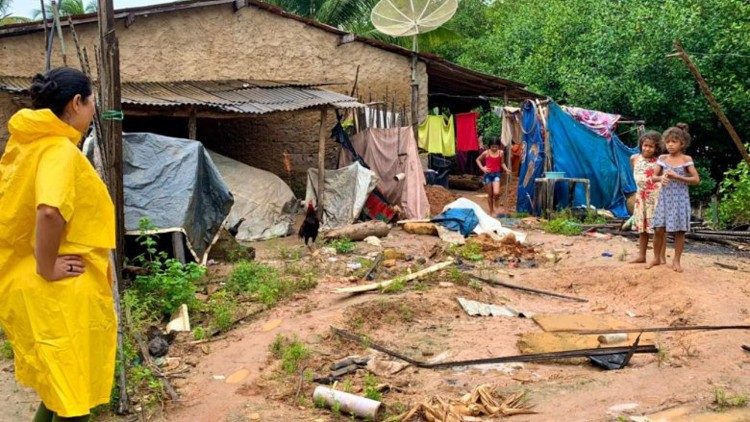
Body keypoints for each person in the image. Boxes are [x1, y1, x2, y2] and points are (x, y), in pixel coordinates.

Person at [0, 68, 116, 421]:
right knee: (73, 397)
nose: (94, 108)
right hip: (59, 293)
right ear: (75, 103)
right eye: (92, 100)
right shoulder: (58, 151)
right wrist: (46, 265)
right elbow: (49, 211)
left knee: (57, 390)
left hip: (31, 286)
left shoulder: (27, 146)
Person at [646, 127, 699, 273]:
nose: (670, 145)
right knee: (659, 229)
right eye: (668, 142)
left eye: (674, 142)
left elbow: (696, 179)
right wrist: (661, 178)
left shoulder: (686, 159)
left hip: (680, 200)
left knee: (680, 231)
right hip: (664, 199)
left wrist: (678, 177)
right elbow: (653, 177)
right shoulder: (662, 159)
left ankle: (676, 260)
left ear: (682, 143)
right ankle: (656, 258)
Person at [629, 131, 667, 264]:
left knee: (659, 229)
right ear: (641, 144)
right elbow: (637, 175)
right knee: (642, 228)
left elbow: (662, 178)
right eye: (645, 145)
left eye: (651, 146)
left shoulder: (660, 161)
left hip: (656, 198)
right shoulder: (634, 158)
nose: (647, 148)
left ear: (657, 148)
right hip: (641, 197)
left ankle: (660, 257)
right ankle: (642, 256)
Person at [476, 139, 511, 216]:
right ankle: (491, 211)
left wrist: (506, 170)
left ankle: (496, 205)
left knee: (496, 192)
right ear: (489, 146)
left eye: (496, 147)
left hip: (496, 175)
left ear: (499, 146)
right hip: (488, 175)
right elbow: (477, 160)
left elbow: (502, 163)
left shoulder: (501, 153)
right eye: (492, 147)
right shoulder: (486, 152)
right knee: (490, 194)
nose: (494, 148)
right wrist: (482, 168)